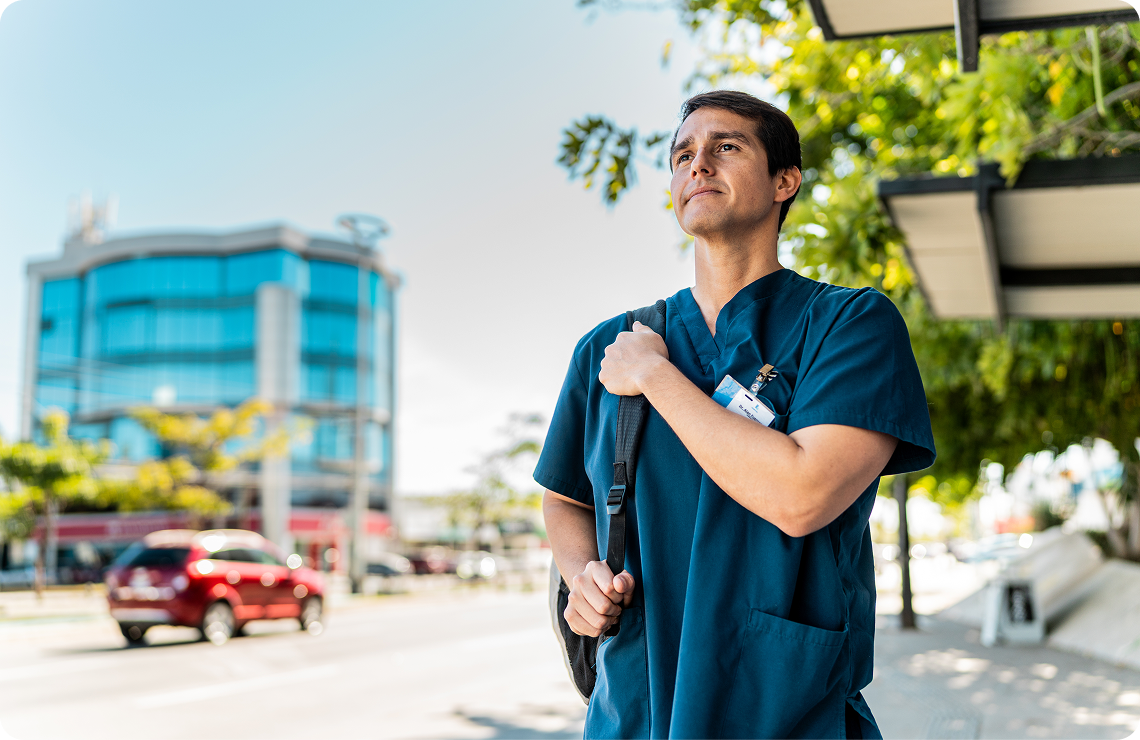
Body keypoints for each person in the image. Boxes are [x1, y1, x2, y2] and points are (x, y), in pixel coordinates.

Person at [536, 90, 936, 740]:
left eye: (726, 146)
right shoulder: (606, 350)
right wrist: (582, 577)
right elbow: (563, 497)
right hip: (634, 712)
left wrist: (657, 378)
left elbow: (801, 494)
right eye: (682, 155)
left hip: (784, 712)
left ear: (786, 181)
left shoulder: (850, 325)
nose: (698, 165)